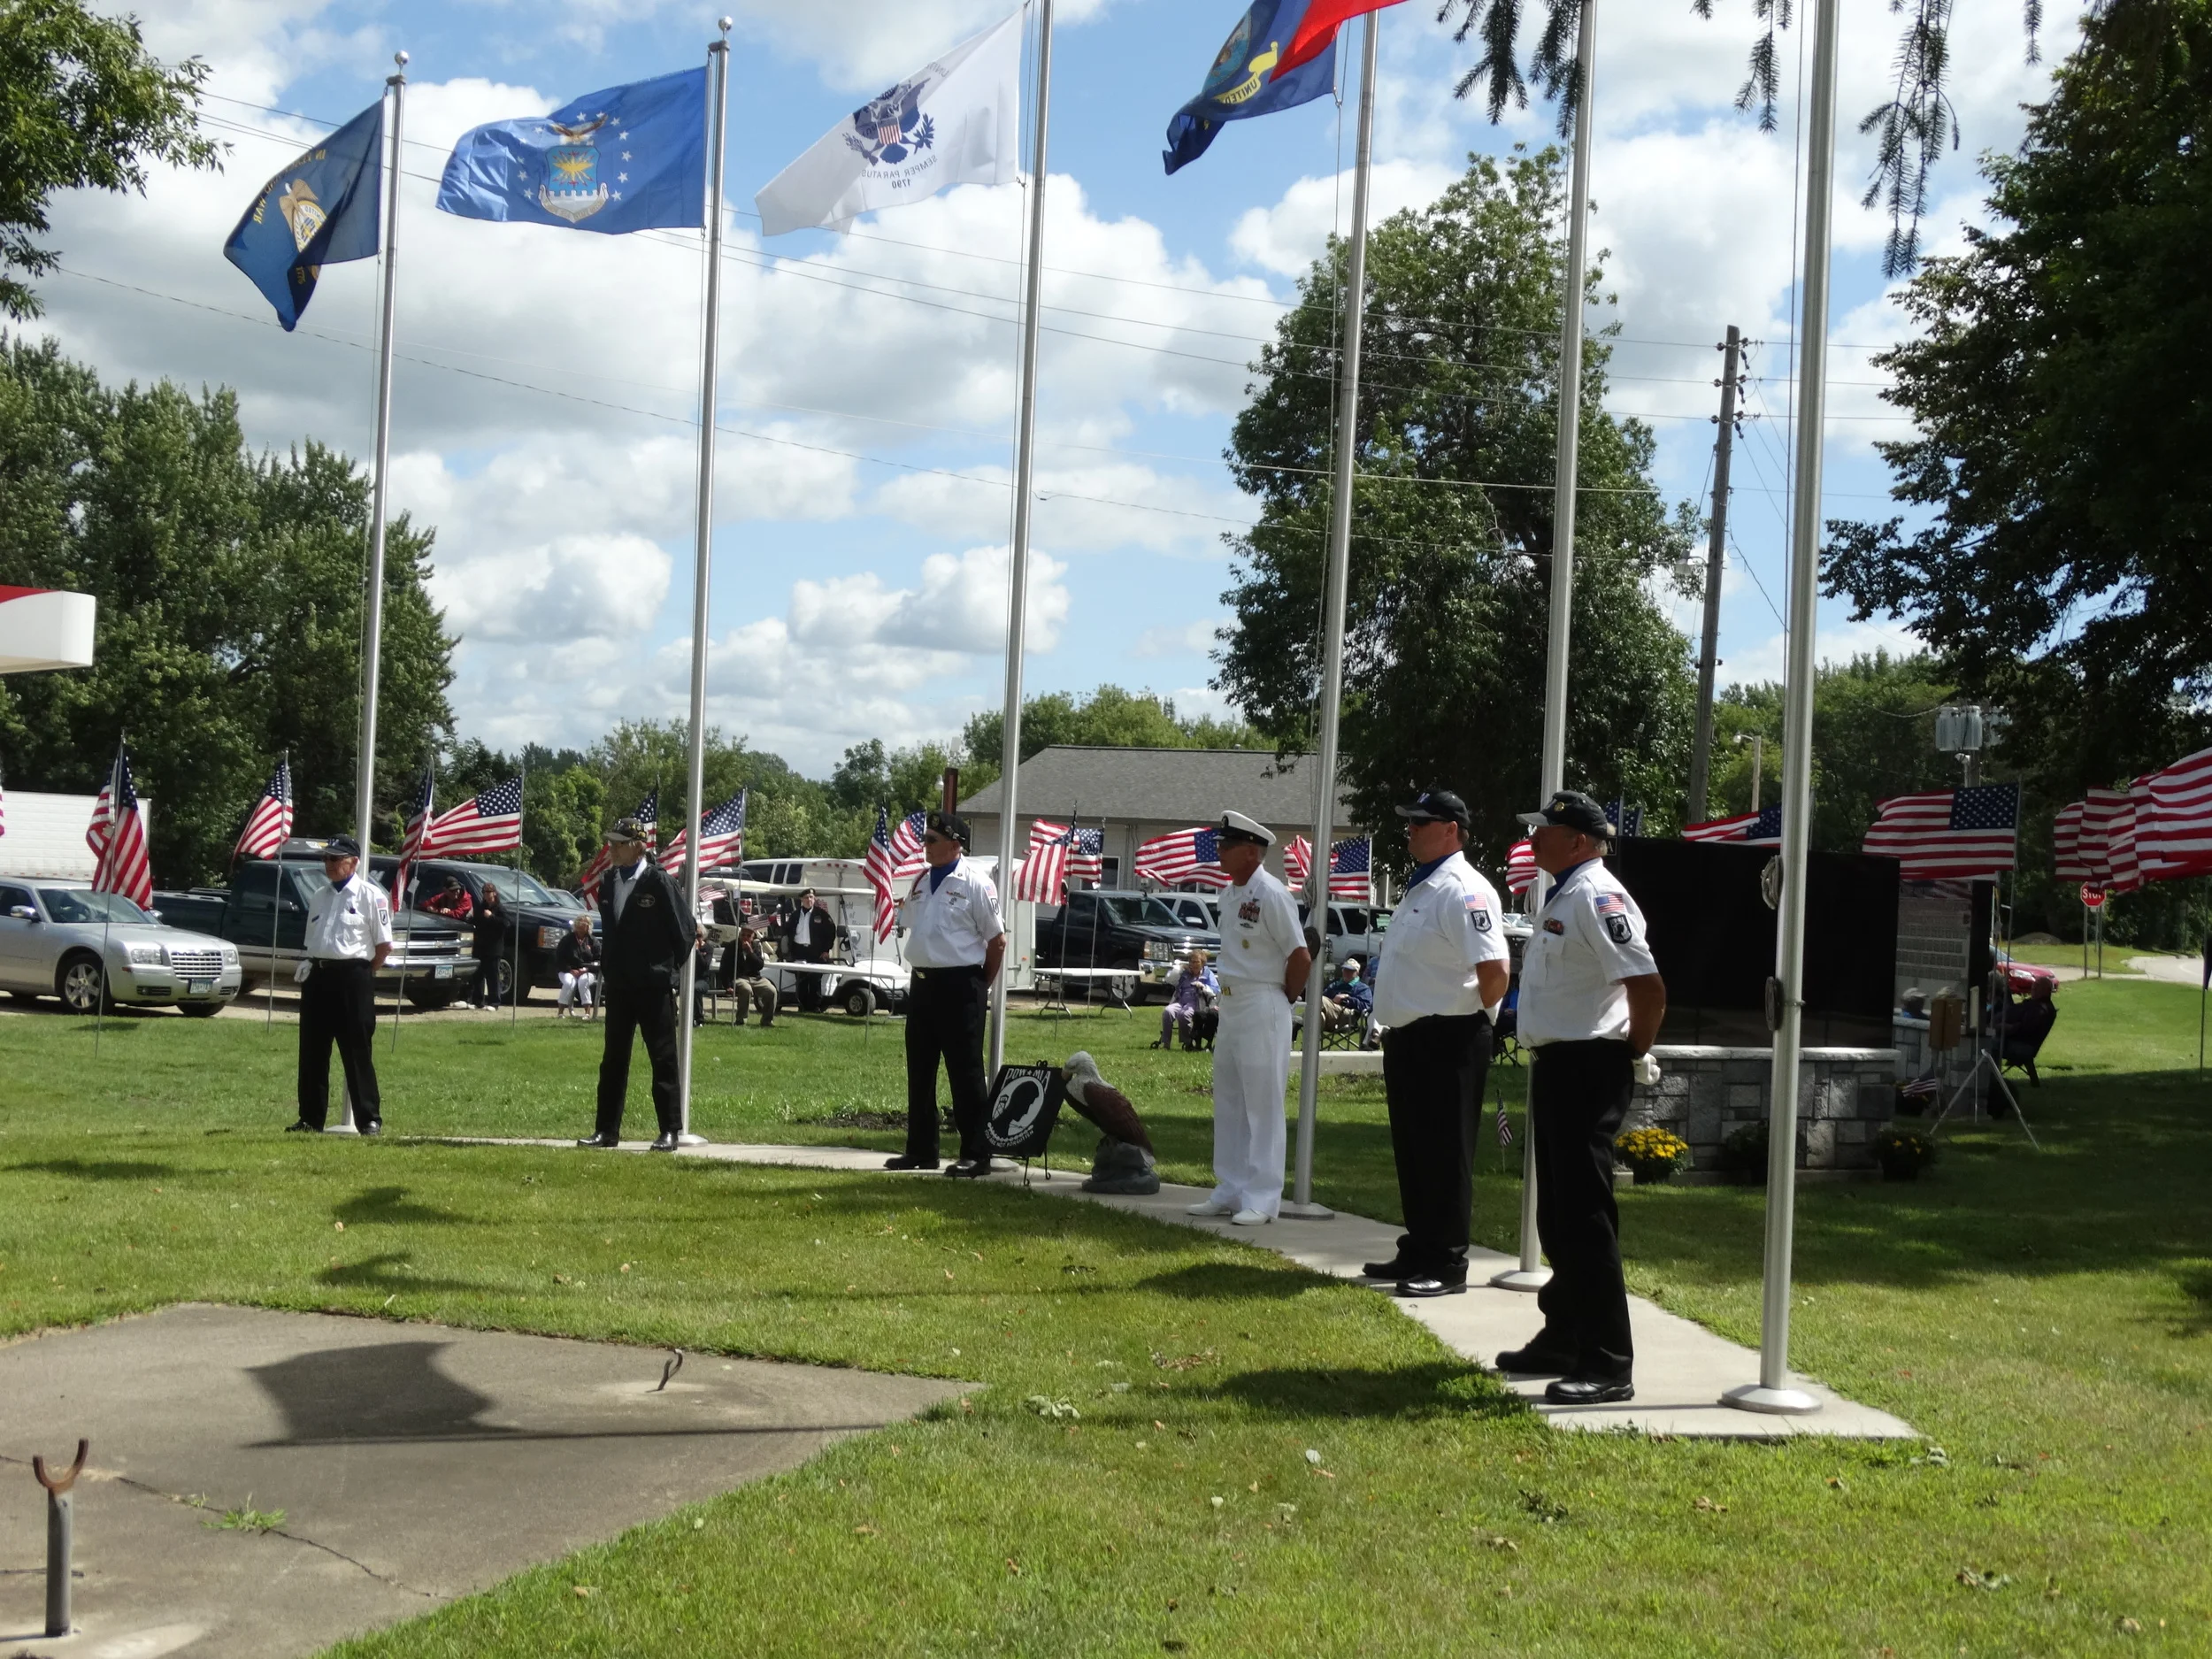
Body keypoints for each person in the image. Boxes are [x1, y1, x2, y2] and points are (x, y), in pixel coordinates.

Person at [1496, 789, 1665, 1406]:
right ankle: (1564, 1336)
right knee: (1558, 1216)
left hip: (1591, 1063)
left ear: (1580, 840)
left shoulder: (1598, 895)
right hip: (1559, 1064)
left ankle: (1608, 1361)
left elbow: (1647, 986)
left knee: (1586, 1217)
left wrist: (1630, 1049)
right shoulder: (1563, 894)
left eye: (1547, 829)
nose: (1535, 838)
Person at [1359, 788, 1511, 1298]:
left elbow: (1494, 971)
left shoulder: (1464, 889)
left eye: (1420, 823)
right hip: (1409, 1038)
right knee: (1415, 1150)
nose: (1410, 830)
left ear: (1451, 829)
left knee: (1446, 1152)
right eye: (1409, 822)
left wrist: (1475, 1018)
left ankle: (1447, 1263)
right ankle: (1420, 1247)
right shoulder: (1420, 887)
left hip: (1450, 1037)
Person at [1187, 811, 1310, 1225]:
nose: (1219, 852)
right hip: (1233, 1003)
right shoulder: (1229, 894)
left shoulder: (1272, 894)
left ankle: (1262, 1196)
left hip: (1264, 1001)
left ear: (1252, 852)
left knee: (1263, 1103)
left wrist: (1281, 1000)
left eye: (1227, 846)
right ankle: (1230, 1186)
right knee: (1230, 1099)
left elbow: (1300, 957)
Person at [887, 811, 1005, 1176]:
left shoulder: (975, 883)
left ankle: (976, 1153)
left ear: (956, 845)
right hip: (923, 983)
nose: (926, 846)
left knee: (965, 1072)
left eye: (932, 840)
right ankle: (921, 1150)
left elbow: (997, 941)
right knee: (920, 1069)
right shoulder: (921, 880)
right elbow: (914, 927)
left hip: (961, 985)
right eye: (925, 839)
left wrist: (979, 983)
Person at [577, 819, 697, 1152]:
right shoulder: (610, 882)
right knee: (613, 1059)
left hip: (653, 986)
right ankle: (606, 1131)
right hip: (619, 985)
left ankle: (670, 1130)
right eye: (611, 843)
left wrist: (666, 972)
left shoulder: (658, 881)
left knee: (663, 1059)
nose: (612, 849)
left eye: (618, 843)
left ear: (638, 845)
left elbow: (685, 932)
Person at [288, 835, 394, 1136]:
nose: (329, 865)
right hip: (319, 976)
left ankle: (369, 1119)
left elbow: (384, 946)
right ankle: (310, 1119)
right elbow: (312, 941)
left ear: (354, 862)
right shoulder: (319, 895)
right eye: (326, 859)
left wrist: (360, 973)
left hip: (353, 977)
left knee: (357, 1050)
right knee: (312, 1051)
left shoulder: (371, 897)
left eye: (335, 859)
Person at [783, 887, 836, 1012]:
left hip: (815, 952)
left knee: (815, 980)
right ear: (801, 899)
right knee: (801, 980)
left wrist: (826, 950)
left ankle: (815, 1007)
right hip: (799, 951)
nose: (809, 900)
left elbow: (830, 933)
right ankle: (802, 1006)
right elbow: (787, 932)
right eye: (806, 898)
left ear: (815, 899)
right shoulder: (795, 915)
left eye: (811, 897)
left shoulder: (821, 915)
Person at [1155, 949, 1217, 1049]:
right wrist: (1179, 968)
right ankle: (1165, 1043)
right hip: (1181, 1001)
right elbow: (1169, 979)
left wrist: (1203, 986)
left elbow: (1216, 989)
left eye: (1197, 962)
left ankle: (1188, 1043)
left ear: (1202, 963)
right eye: (1191, 962)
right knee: (1168, 1011)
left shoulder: (1207, 974)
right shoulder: (1185, 973)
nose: (1194, 964)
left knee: (1184, 1014)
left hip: (1196, 1002)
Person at [727, 924, 779, 1027]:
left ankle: (767, 1021)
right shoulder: (732, 946)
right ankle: (741, 1021)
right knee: (746, 989)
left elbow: (760, 965)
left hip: (755, 978)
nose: (745, 938)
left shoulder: (756, 947)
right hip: (739, 977)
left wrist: (750, 952)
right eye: (743, 935)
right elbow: (725, 967)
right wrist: (727, 985)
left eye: (748, 936)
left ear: (753, 937)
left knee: (771, 990)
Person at [470, 883, 509, 1008]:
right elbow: (476, 920)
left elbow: (506, 924)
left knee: (493, 975)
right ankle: (478, 1001)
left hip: (494, 947)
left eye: (488, 892)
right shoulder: (481, 907)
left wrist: (492, 917)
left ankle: (494, 1002)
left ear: (494, 893)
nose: (486, 894)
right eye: (484, 892)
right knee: (478, 974)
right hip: (481, 945)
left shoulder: (500, 909)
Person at [555, 914, 599, 1018]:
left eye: (584, 923)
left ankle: (587, 1013)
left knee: (583, 981)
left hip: (588, 971)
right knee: (569, 983)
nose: (580, 925)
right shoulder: (567, 940)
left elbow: (598, 959)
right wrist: (570, 970)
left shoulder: (593, 941)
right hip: (567, 970)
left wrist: (587, 969)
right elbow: (559, 958)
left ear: (588, 926)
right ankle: (560, 1012)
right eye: (578, 922)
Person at [1318, 956, 1374, 1032]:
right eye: (1345, 970)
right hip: (1331, 1016)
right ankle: (1311, 1042)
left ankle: (1299, 1024)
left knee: (1319, 1000)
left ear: (1357, 973)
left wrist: (1346, 999)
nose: (1347, 973)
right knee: (1319, 1016)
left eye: (1351, 971)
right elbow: (1326, 997)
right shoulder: (1335, 985)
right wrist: (1335, 999)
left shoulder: (1363, 988)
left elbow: (1366, 1007)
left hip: (1348, 1017)